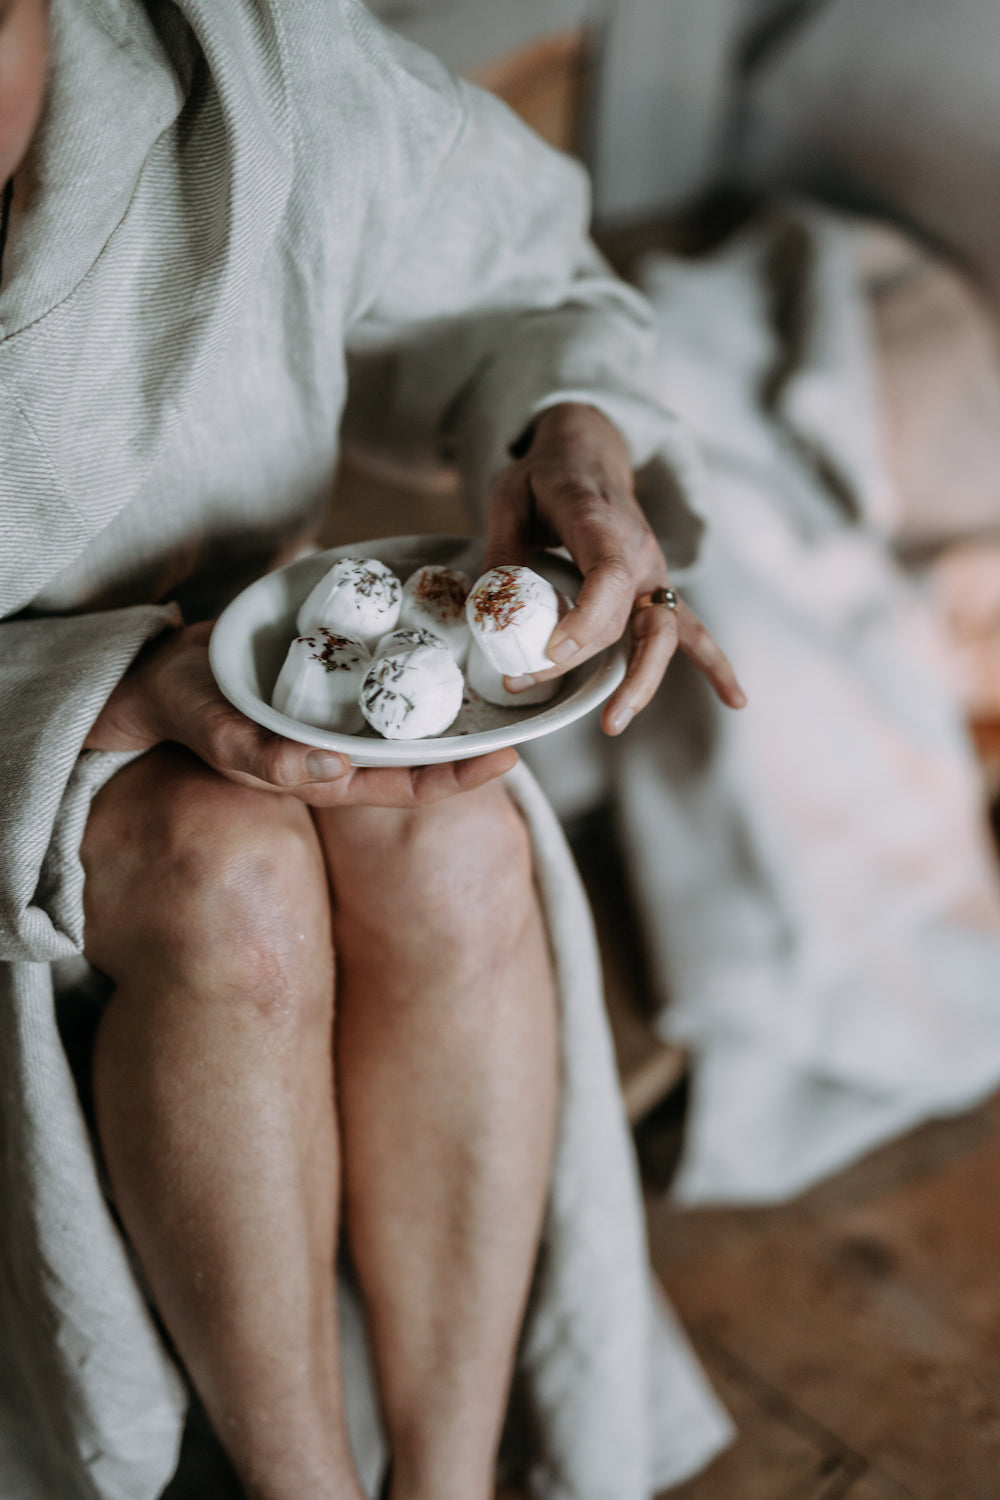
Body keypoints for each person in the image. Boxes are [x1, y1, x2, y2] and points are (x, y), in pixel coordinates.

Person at [0, 1, 744, 1497]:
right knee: (226, 873)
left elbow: (517, 286)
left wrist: (568, 441)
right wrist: (99, 698)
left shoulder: (224, 62)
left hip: (272, 676)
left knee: (458, 841)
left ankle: (450, 1476)